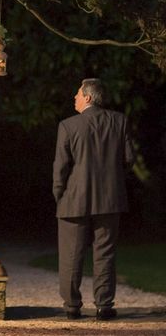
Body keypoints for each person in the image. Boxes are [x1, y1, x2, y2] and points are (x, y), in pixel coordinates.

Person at [53, 78, 135, 320]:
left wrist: (60, 195)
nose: (74, 98)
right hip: (110, 199)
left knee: (70, 256)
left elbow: (60, 168)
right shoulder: (119, 121)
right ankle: (104, 306)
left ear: (88, 97)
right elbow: (128, 159)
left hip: (73, 200)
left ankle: (71, 307)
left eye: (77, 94)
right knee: (105, 253)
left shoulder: (68, 126)